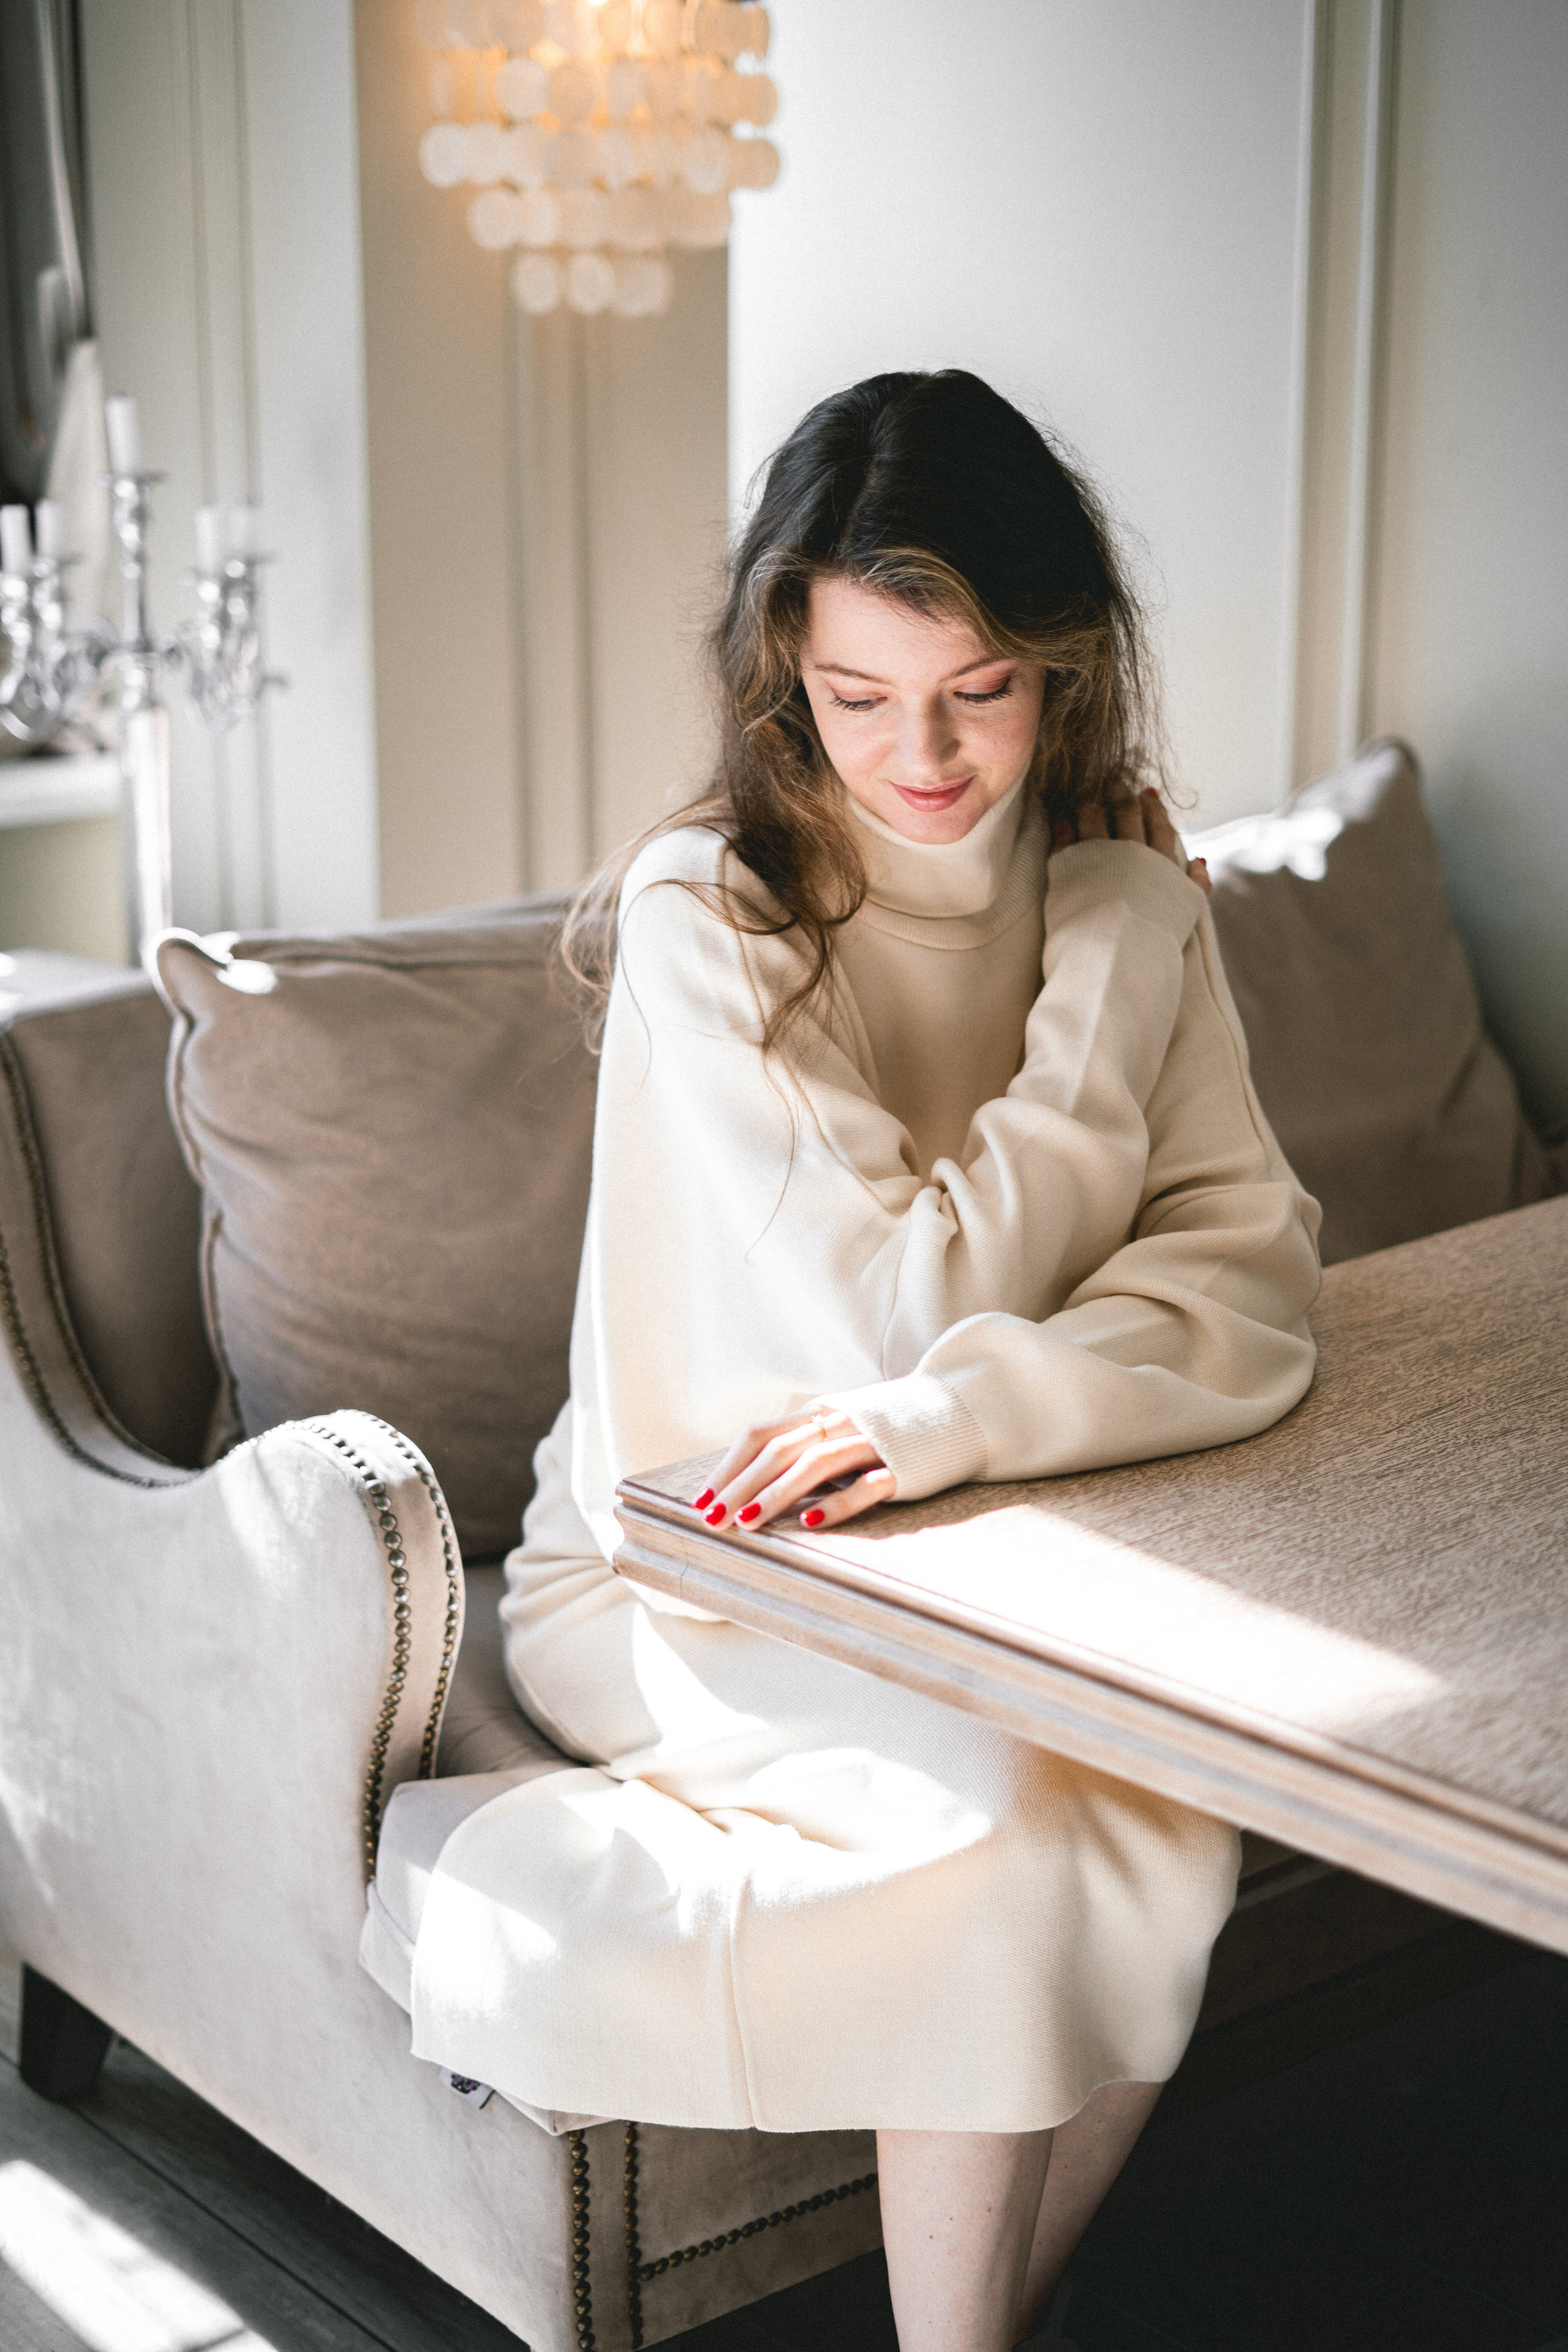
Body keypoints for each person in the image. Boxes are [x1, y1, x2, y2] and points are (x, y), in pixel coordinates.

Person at [424, 371, 1321, 2351]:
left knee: (1175, 1789)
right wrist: (1114, 953)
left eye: (980, 689)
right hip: (692, 1564)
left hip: (991, 1537)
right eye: (857, 694)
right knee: (1011, 1817)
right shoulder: (712, 914)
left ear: (1065, 668)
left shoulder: (1113, 898)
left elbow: (1249, 1276)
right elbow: (893, 1309)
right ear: (784, 677)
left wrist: (969, 1414)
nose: (924, 755)